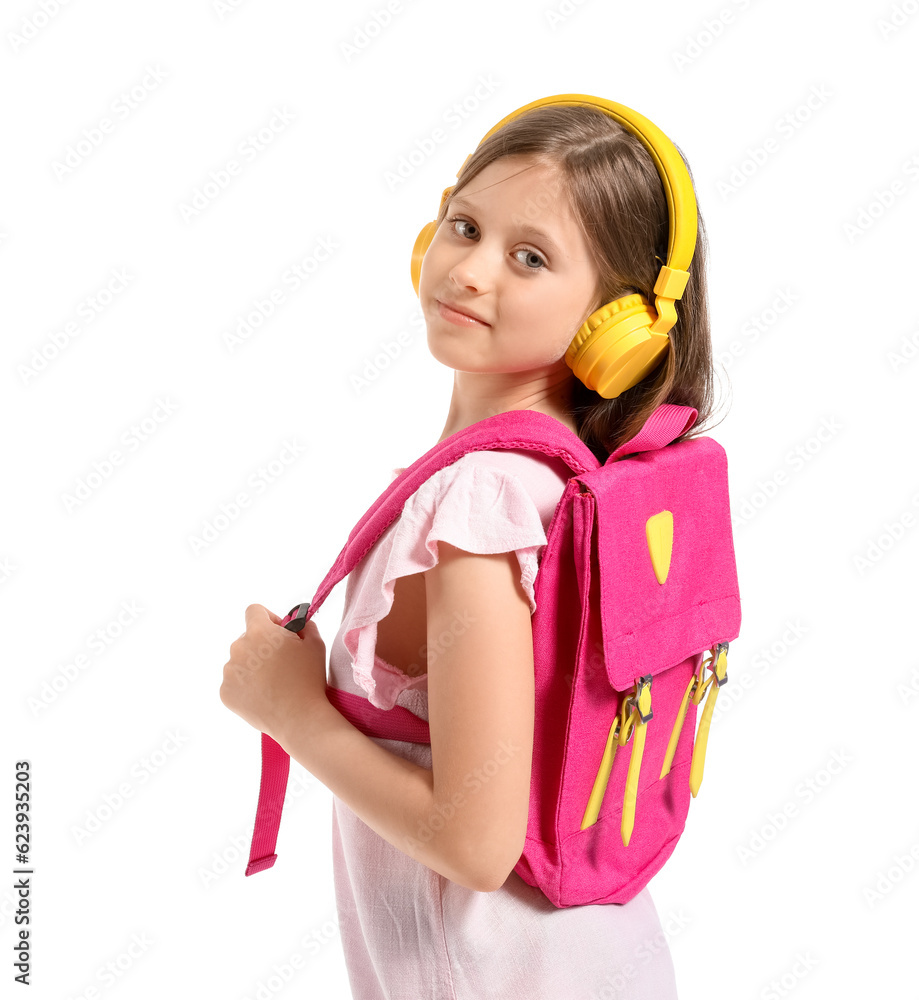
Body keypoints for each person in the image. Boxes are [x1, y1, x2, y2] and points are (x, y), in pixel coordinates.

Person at [221, 97, 720, 999]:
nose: (471, 269)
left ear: (617, 325)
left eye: (530, 257)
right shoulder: (561, 481)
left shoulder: (482, 502)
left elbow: (472, 844)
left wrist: (286, 710)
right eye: (465, 226)